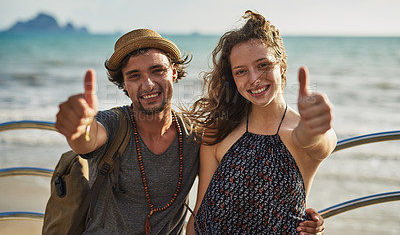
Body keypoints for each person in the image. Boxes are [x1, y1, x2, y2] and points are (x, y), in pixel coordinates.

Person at [55, 28, 326, 234]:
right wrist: (78, 129)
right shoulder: (114, 124)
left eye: (157, 70)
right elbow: (89, 138)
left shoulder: (196, 134)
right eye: (134, 76)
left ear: (174, 72)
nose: (148, 84)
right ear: (124, 85)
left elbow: (247, 185)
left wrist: (302, 216)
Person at [185, 10, 337, 235]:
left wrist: (314, 125)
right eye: (241, 72)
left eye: (263, 65)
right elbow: (199, 214)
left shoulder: (297, 132)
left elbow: (316, 140)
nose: (254, 78)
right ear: (233, 78)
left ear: (282, 66)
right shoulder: (218, 130)